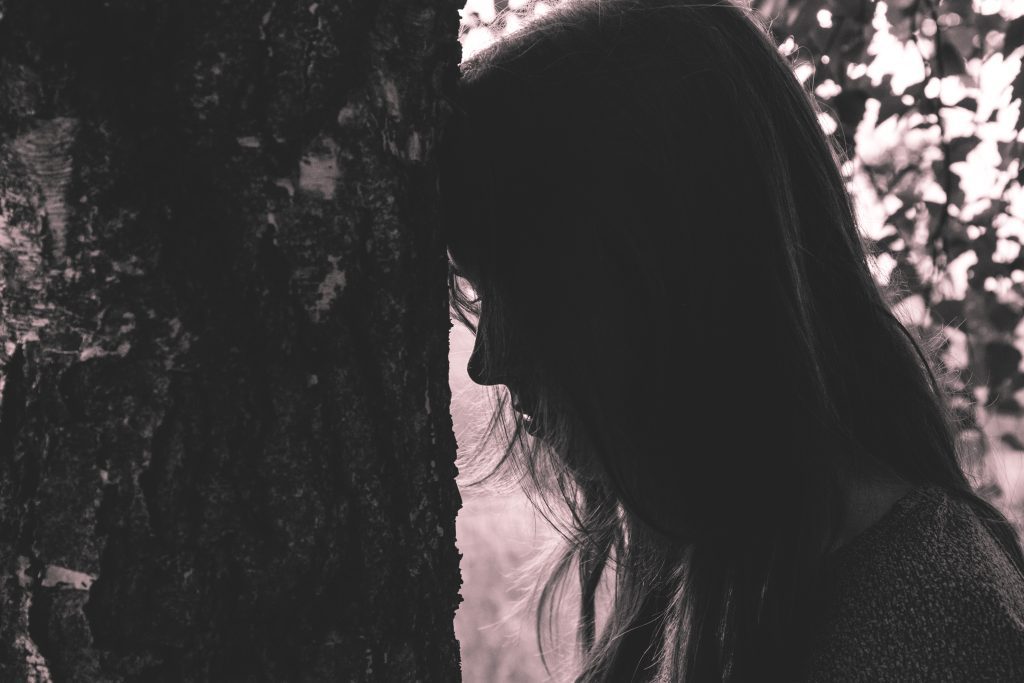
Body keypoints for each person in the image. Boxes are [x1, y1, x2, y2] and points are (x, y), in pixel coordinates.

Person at [438, 0, 1024, 680]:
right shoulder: (729, 575)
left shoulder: (929, 628)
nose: (490, 362)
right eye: (482, 296)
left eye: (529, 296)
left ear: (671, 280)